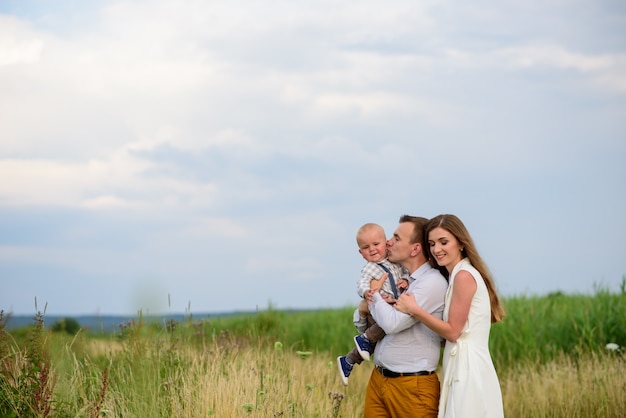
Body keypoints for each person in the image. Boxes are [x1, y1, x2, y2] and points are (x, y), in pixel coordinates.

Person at [395, 214, 505, 418]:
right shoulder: (456, 276)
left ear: (461, 243)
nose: (437, 249)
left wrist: (415, 309)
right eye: (432, 243)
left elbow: (454, 332)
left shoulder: (464, 276)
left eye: (444, 242)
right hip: (462, 366)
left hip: (468, 369)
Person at [364, 215, 448, 418]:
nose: (388, 242)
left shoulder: (431, 283)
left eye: (396, 238)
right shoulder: (401, 280)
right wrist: (368, 304)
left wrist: (374, 296)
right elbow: (373, 323)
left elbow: (392, 324)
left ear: (415, 249)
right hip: (379, 379)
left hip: (412, 388)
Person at [337, 223, 409, 386]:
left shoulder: (395, 262)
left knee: (374, 342)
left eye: (376, 244)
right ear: (361, 252)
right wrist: (366, 292)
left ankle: (348, 360)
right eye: (366, 247)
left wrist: (405, 279)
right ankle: (363, 341)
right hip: (378, 312)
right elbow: (361, 283)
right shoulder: (370, 268)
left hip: (391, 308)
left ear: (386, 243)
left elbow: (404, 271)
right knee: (386, 325)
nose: (372, 249)